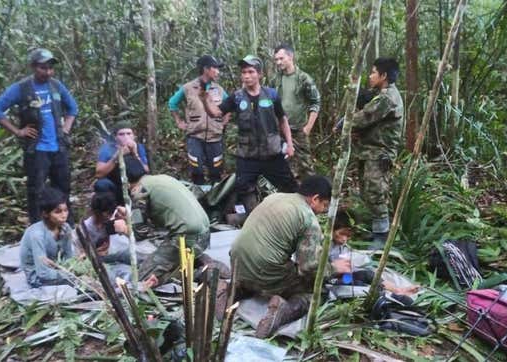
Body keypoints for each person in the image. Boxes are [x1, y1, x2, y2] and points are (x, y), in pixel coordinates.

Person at [230, 175, 351, 338]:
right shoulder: (308, 218)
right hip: (265, 271)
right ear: (315, 199)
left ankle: (235, 288)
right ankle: (283, 311)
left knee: (272, 267)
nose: (323, 211)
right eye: (324, 205)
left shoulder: (275, 197)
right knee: (317, 292)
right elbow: (308, 267)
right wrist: (334, 268)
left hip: (236, 263)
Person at [0, 48, 78, 224]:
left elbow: (73, 108)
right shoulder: (21, 89)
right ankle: (38, 228)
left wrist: (66, 128)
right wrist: (18, 131)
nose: (48, 72)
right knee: (36, 191)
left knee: (63, 189)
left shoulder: (56, 86)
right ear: (33, 67)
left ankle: (67, 227)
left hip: (59, 147)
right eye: (43, 68)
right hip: (37, 150)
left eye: (51, 68)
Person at [202, 55, 298, 213]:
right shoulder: (237, 97)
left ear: (260, 74)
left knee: (290, 187)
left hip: (272, 153)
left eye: (251, 72)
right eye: (244, 72)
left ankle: (294, 216)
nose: (246, 76)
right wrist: (205, 100)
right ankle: (254, 217)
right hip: (247, 156)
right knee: (244, 189)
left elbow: (282, 120)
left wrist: (290, 145)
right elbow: (216, 113)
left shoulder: (272, 95)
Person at [344, 57, 403, 249]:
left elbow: (363, 119)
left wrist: (345, 122)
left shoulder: (387, 98)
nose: (370, 76)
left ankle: (381, 238)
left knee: (376, 192)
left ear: (384, 76)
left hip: (379, 153)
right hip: (369, 151)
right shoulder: (381, 95)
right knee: (368, 191)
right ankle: (376, 230)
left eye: (373, 72)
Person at [131, 174, 227, 285]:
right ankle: (197, 260)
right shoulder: (160, 178)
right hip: (204, 234)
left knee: (142, 278)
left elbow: (140, 233)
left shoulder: (140, 189)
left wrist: (126, 226)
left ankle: (199, 273)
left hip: (186, 238)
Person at [168, 55, 230, 185]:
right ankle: (198, 197)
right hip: (195, 136)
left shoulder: (219, 89)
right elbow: (172, 103)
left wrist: (224, 121)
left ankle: (216, 199)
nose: (218, 72)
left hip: (215, 137)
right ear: (206, 69)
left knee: (216, 170)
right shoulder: (188, 88)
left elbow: (228, 106)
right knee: (196, 170)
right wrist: (179, 121)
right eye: (216, 68)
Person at [79, 192, 158, 290]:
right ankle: (136, 285)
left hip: (118, 253)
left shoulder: (116, 216)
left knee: (139, 256)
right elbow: (81, 256)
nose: (107, 217)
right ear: (94, 212)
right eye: (103, 215)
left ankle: (149, 274)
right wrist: (94, 253)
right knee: (116, 273)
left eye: (109, 214)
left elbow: (142, 232)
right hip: (101, 260)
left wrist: (128, 217)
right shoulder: (85, 227)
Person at [270, 44, 321, 179]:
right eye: (276, 60)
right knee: (282, 165)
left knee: (305, 166)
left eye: (281, 58)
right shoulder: (275, 79)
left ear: (290, 56)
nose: (278, 62)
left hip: (298, 130)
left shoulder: (304, 79)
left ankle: (311, 195)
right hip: (279, 130)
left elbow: (315, 102)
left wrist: (308, 128)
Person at [20, 187, 73, 287]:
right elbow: (42, 273)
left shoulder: (66, 228)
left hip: (59, 268)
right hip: (38, 276)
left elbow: (69, 256)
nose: (64, 215)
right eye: (58, 212)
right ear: (45, 214)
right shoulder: (37, 235)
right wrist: (69, 275)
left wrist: (72, 268)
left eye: (66, 210)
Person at [94, 121, 150, 203]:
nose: (125, 137)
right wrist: (117, 156)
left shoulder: (139, 147)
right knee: (101, 185)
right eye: (121, 134)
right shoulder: (107, 148)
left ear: (133, 136)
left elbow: (146, 170)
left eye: (129, 133)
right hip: (115, 184)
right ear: (115, 137)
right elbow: (99, 174)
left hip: (135, 184)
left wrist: (135, 154)